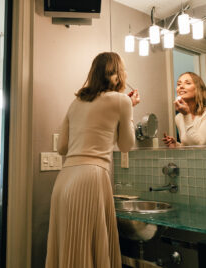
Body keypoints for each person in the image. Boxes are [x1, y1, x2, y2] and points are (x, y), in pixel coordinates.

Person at [45, 52, 139, 268]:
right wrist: (129, 110)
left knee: (70, 247)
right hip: (91, 178)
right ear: (116, 74)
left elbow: (62, 148)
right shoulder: (122, 100)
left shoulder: (76, 102)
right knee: (89, 247)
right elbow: (126, 146)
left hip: (64, 180)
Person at [163, 72, 206, 147]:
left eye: (187, 83)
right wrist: (177, 145)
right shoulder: (179, 118)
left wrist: (187, 115)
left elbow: (200, 146)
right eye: (178, 84)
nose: (181, 86)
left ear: (198, 89)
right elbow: (189, 146)